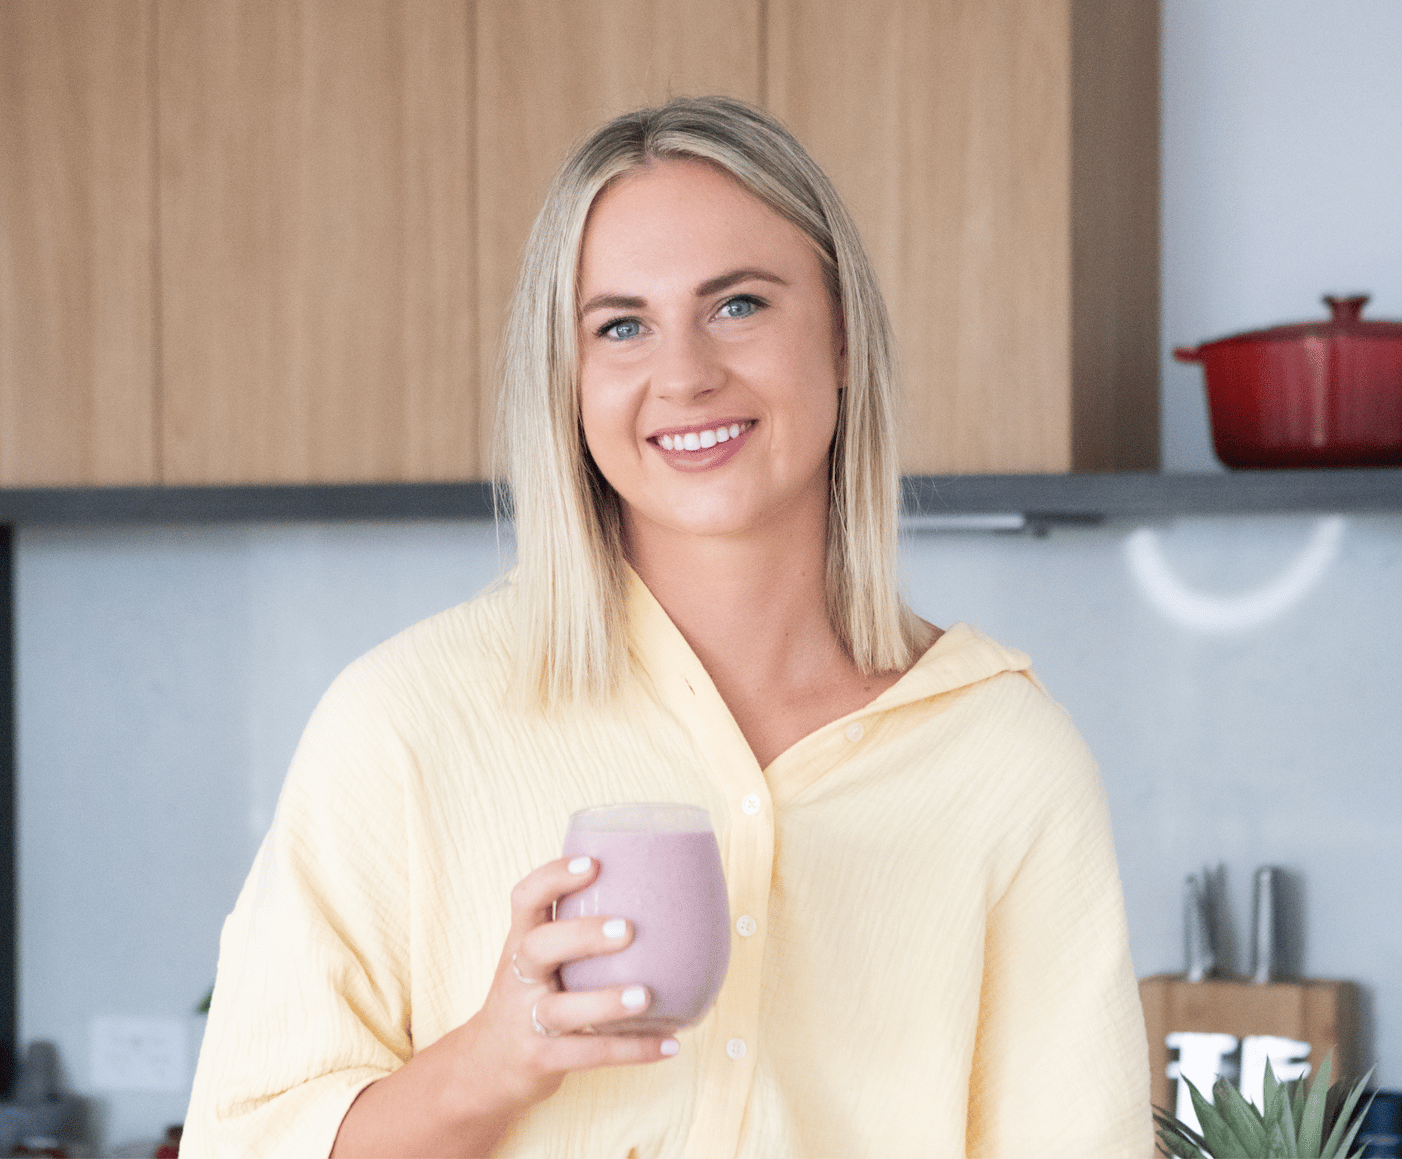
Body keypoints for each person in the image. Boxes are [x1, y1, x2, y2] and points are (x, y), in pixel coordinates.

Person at [182, 95, 1151, 1157]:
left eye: (738, 304)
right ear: (569, 379)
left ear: (841, 337)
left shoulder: (1005, 759)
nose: (684, 374)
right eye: (622, 325)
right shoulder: (404, 724)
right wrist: (491, 1061)